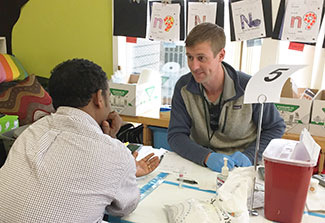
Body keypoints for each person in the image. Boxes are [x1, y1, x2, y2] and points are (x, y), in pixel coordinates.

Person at [0, 58, 160, 222]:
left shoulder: (31, 132)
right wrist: (119, 155)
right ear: (99, 97)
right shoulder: (113, 153)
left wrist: (109, 142)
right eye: (109, 96)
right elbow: (124, 208)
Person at [168, 22, 285, 172]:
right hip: (201, 164)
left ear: (221, 55)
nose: (194, 66)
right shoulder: (183, 87)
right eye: (190, 57)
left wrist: (250, 156)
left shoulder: (251, 86)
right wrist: (205, 156)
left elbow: (275, 127)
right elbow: (176, 135)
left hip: (242, 168)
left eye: (201, 58)